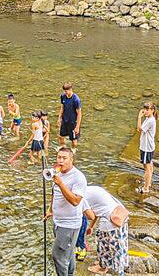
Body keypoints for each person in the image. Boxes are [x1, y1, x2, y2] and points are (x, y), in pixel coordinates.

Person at [44, 147, 87, 276]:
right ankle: (70, 273)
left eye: (64, 158)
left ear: (71, 160)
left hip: (69, 225)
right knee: (68, 253)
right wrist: (50, 210)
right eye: (59, 157)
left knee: (58, 256)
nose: (61, 161)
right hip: (58, 221)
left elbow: (75, 201)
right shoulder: (57, 173)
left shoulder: (78, 177)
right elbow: (55, 194)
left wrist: (61, 184)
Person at [84, 185, 130, 275]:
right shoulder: (93, 189)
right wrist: (91, 227)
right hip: (120, 215)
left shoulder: (81, 197)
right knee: (120, 245)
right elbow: (98, 208)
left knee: (102, 244)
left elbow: (92, 215)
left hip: (110, 221)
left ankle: (102, 267)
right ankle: (120, 266)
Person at [137, 102, 158, 193]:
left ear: (152, 110)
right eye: (144, 109)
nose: (145, 111)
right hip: (149, 146)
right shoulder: (149, 118)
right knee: (150, 164)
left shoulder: (150, 120)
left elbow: (139, 129)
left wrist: (139, 117)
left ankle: (146, 188)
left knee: (147, 167)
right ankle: (148, 183)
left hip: (146, 147)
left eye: (147, 109)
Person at [59, 83, 82, 149]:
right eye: (64, 91)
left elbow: (79, 114)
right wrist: (59, 118)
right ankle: (63, 149)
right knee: (61, 137)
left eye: (66, 91)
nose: (65, 92)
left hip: (73, 122)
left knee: (74, 140)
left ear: (70, 89)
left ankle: (73, 152)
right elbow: (62, 107)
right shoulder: (63, 96)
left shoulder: (76, 100)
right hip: (65, 120)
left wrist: (77, 127)